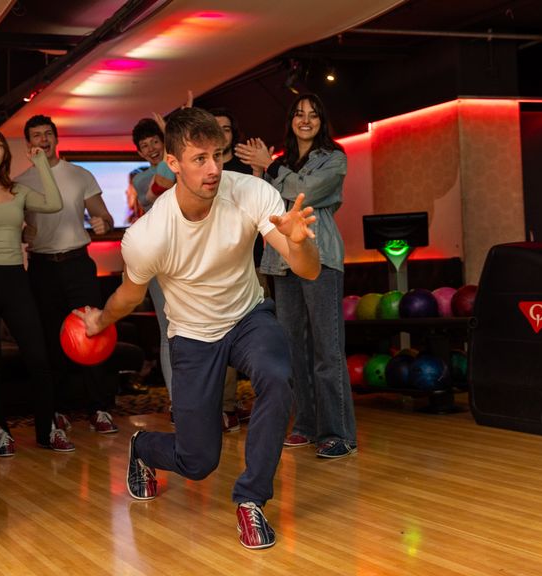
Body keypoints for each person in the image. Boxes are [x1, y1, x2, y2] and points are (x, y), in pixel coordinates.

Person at [78, 107, 320, 550]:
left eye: (218, 155)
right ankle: (144, 447)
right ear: (172, 163)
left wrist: (300, 244)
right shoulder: (149, 235)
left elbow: (306, 271)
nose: (213, 169)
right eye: (199, 159)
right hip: (191, 335)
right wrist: (100, 320)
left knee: (277, 375)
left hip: (248, 316)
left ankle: (251, 502)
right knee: (198, 459)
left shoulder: (251, 192)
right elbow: (129, 296)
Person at [235, 93, 357, 459]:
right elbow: (265, 203)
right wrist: (261, 172)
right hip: (280, 261)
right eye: (299, 114)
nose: (306, 120)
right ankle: (305, 425)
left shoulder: (334, 158)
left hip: (321, 259)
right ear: (290, 120)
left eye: (314, 115)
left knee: (326, 348)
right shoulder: (281, 161)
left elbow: (304, 192)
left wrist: (269, 167)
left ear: (322, 121)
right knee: (293, 350)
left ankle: (337, 433)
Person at [0, 127, 72, 456]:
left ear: (5, 153)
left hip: (16, 278)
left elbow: (53, 203)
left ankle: (48, 429)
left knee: (38, 356)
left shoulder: (17, 190)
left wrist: (42, 165)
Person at [15, 114, 121, 435]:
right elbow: (19, 228)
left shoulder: (80, 174)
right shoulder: (20, 182)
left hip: (78, 263)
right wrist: (21, 232)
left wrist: (104, 222)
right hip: (42, 267)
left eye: (48, 134)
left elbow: (103, 215)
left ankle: (99, 408)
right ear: (28, 145)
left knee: (94, 333)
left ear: (56, 139)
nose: (43, 140)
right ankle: (56, 409)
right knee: (50, 337)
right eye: (36, 136)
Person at [210, 107, 256, 433]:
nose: (222, 134)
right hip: (215, 266)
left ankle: (264, 402)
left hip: (252, 262)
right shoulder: (203, 170)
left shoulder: (245, 170)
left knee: (258, 336)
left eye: (227, 129)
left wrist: (259, 169)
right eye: (216, 128)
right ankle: (225, 408)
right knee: (222, 339)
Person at [128, 118, 176, 402]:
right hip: (160, 263)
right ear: (140, 153)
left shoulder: (186, 167)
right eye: (145, 146)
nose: (151, 149)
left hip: (192, 259)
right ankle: (176, 402)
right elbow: (162, 182)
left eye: (155, 142)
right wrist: (173, 139)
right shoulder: (141, 178)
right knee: (168, 331)